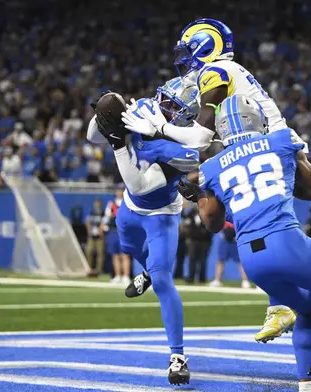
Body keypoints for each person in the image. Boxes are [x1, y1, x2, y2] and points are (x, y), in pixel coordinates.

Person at [120, 18, 301, 344]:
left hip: (265, 147)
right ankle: (284, 299)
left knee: (253, 227)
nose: (183, 58)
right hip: (271, 145)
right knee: (254, 226)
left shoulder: (213, 71)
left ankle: (290, 298)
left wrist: (157, 129)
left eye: (189, 50)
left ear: (205, 46)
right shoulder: (229, 72)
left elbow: (201, 137)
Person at [179, 95, 311, 392]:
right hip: (286, 242)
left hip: (252, 260)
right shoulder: (280, 140)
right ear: (257, 119)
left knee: (307, 307)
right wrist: (300, 157)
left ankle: (306, 385)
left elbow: (213, 224)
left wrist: (200, 197)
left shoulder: (213, 166)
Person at [87, 77, 200, 385]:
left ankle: (177, 356)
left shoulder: (182, 148)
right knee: (129, 250)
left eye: (172, 106)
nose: (162, 106)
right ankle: (147, 271)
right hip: (130, 210)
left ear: (186, 116)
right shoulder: (144, 108)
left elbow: (138, 183)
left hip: (161, 214)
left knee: (163, 280)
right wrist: (109, 114)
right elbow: (92, 135)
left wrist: (117, 143)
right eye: (163, 98)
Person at [209, 221, 252, 288]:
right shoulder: (225, 213)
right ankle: (217, 280)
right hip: (225, 239)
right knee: (220, 260)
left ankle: (245, 281)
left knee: (241, 262)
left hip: (235, 240)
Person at [103, 186, 132, 284]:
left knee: (125, 255)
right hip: (113, 231)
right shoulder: (111, 204)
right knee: (114, 255)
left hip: (124, 232)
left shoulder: (128, 203)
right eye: (118, 190)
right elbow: (106, 217)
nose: (119, 192)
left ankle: (126, 276)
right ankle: (118, 275)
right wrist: (103, 226)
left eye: (121, 190)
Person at [184, 201, 212, 284]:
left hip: (205, 241)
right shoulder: (191, 213)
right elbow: (187, 225)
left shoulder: (208, 214)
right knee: (192, 259)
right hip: (193, 240)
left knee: (203, 260)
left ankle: (202, 278)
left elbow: (211, 226)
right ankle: (191, 277)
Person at [85, 198, 105, 277]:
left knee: (100, 253)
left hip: (99, 236)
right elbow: (87, 221)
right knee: (89, 251)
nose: (97, 205)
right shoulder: (91, 212)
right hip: (92, 236)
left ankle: (98, 270)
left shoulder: (102, 213)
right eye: (96, 203)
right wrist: (89, 231)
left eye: (98, 203)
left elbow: (104, 222)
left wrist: (101, 231)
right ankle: (89, 268)